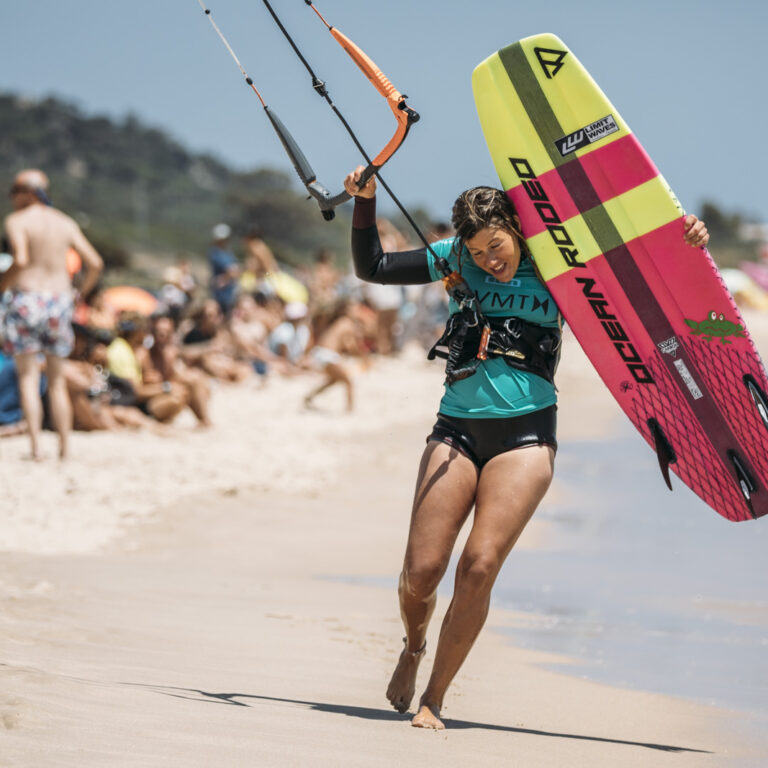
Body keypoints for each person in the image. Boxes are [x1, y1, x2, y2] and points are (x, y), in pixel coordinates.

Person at [343, 165, 710, 730]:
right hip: (456, 429)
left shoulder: (563, 261)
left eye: (497, 246)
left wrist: (682, 236)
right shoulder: (455, 258)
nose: (491, 260)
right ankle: (414, 646)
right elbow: (372, 267)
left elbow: (645, 274)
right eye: (479, 252)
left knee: (480, 564)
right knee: (421, 574)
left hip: (527, 432)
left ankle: (434, 698)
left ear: (515, 227)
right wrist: (363, 202)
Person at [1, 169, 103, 459]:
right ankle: (64, 449)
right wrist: (79, 294)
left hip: (28, 298)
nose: (11, 198)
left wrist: (2, 285)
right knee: (58, 381)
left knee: (28, 377)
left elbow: (20, 260)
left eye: (14, 191)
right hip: (59, 301)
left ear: (27, 192)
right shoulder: (65, 223)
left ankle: (35, 448)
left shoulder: (17, 221)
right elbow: (95, 263)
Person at [208, 223, 240, 316]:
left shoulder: (228, 253)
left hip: (230, 292)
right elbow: (232, 271)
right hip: (221, 294)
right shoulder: (215, 253)